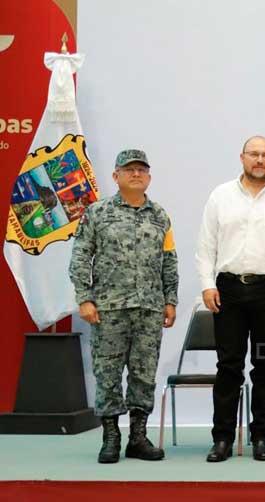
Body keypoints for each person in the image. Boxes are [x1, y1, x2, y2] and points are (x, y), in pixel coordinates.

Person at [196, 136, 265, 462]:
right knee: (228, 366)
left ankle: (261, 436)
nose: (260, 160)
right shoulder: (221, 196)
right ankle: (222, 438)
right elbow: (206, 246)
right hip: (228, 290)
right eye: (254, 154)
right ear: (242, 157)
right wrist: (207, 284)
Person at [69, 149, 178, 463]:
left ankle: (138, 438)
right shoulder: (97, 213)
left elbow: (169, 261)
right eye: (129, 169)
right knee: (108, 374)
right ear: (116, 176)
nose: (136, 174)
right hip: (109, 309)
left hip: (149, 309)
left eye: (141, 170)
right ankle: (110, 437)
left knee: (144, 375)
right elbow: (80, 257)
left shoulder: (160, 215)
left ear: (149, 177)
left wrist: (170, 300)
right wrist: (85, 298)